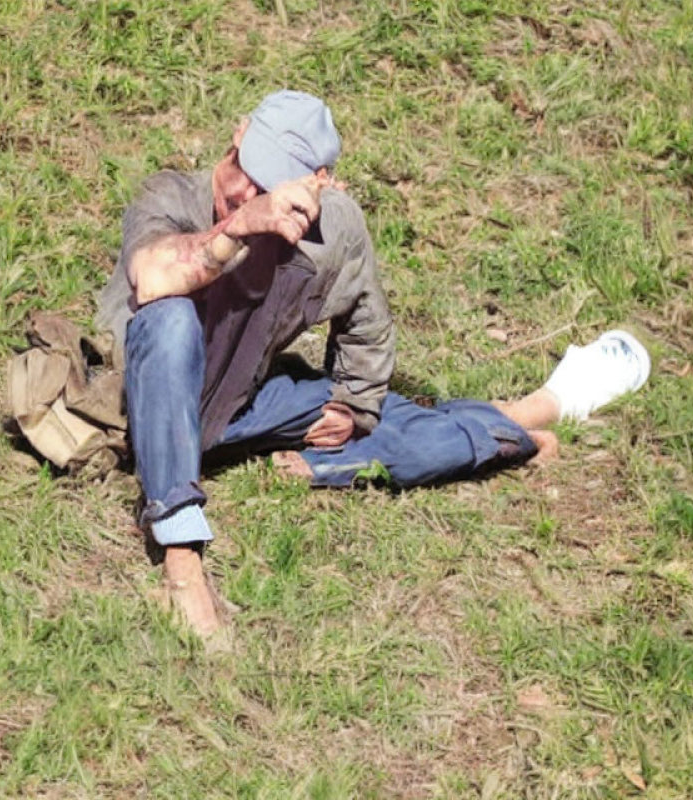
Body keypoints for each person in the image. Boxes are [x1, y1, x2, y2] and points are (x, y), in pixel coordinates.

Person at [93, 90, 650, 637]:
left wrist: (353, 404)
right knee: (169, 319)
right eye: (244, 167)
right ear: (237, 134)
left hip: (238, 403)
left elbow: (366, 322)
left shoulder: (330, 230)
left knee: (399, 433)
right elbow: (154, 278)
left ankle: (534, 410)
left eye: (270, 185)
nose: (245, 191)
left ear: (318, 183)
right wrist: (240, 227)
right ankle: (182, 555)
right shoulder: (168, 196)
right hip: (142, 402)